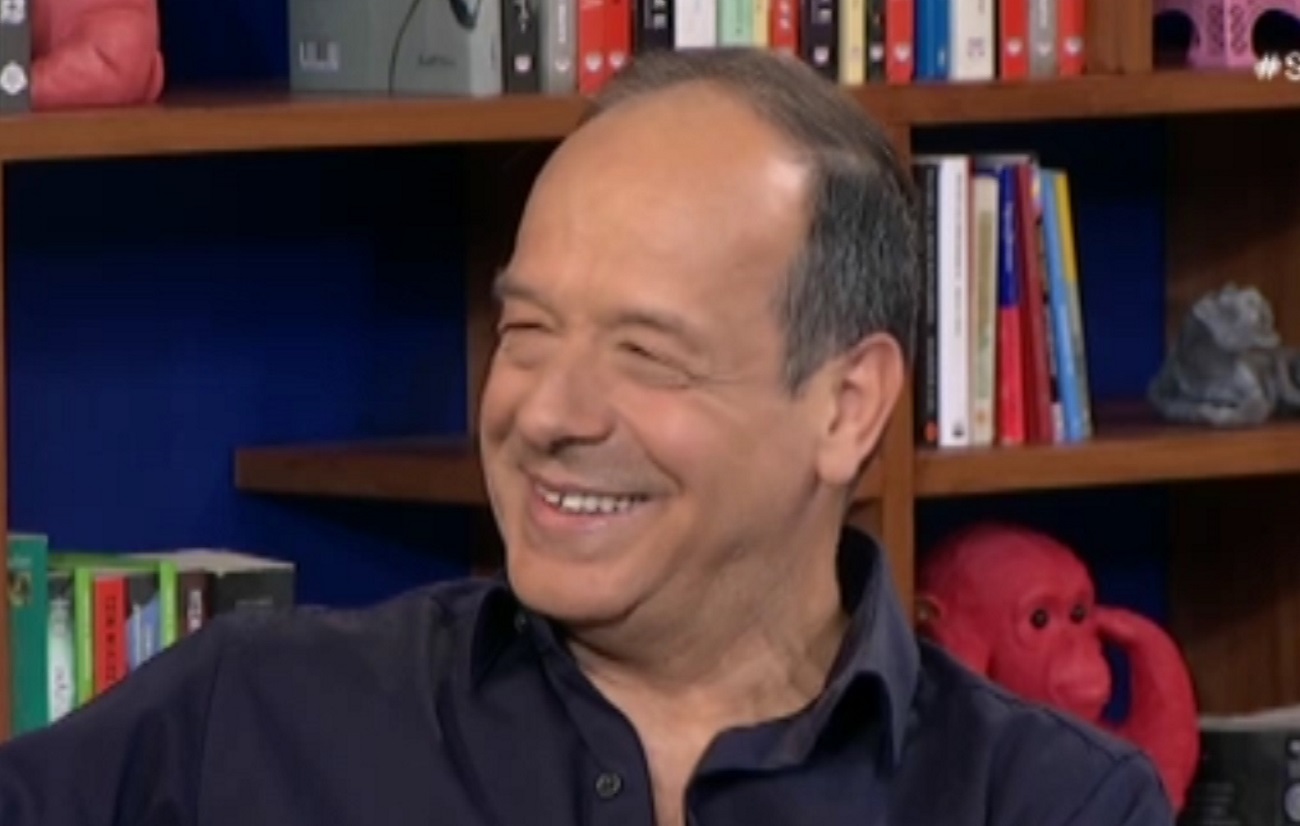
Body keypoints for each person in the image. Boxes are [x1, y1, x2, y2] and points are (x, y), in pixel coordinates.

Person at [0, 48, 1173, 825]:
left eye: (645, 353)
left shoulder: (1042, 803)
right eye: (527, 331)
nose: (548, 414)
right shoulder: (252, 720)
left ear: (846, 405)